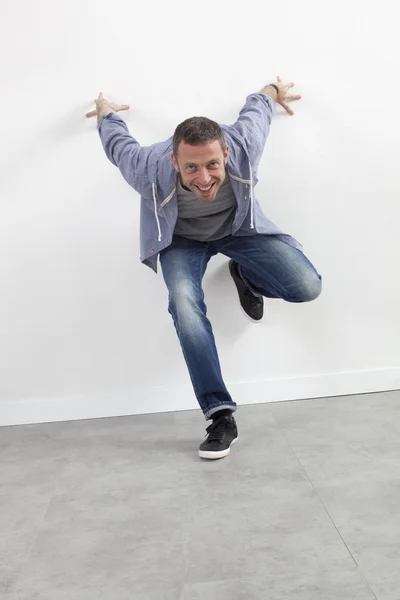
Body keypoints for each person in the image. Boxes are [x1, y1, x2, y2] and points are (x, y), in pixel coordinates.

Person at [86, 77, 322, 460]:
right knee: (184, 305)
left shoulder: (244, 144)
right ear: (173, 161)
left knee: (307, 286)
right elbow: (119, 147)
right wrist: (106, 113)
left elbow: (256, 112)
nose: (204, 178)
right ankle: (220, 414)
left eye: (212, 164)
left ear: (227, 153)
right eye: (191, 167)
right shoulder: (146, 167)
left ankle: (245, 275)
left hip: (237, 229)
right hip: (181, 241)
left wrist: (271, 91)